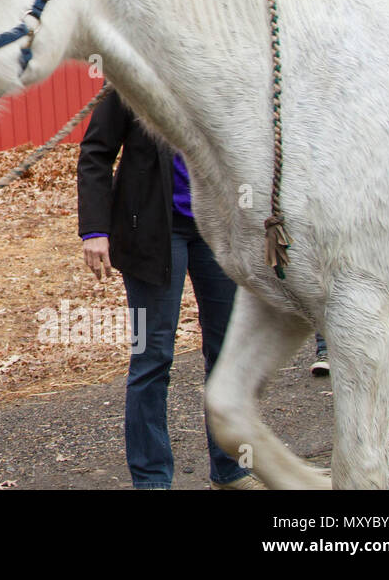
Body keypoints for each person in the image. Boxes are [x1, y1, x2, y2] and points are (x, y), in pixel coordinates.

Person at [77, 90, 260, 490]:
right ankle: (152, 481)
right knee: (152, 357)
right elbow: (95, 152)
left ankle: (230, 471)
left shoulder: (212, 73)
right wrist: (95, 229)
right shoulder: (130, 80)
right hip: (152, 234)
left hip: (216, 231)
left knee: (227, 352)